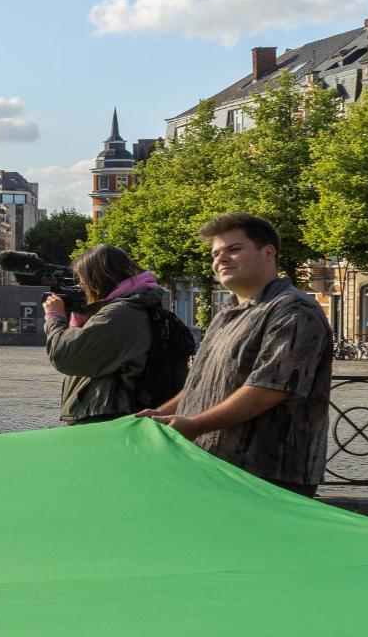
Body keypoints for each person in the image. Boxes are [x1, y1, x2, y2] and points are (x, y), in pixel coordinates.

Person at [139, 213, 331, 497]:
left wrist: (194, 425)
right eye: (216, 254)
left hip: (267, 474)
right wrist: (161, 413)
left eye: (234, 249)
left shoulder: (293, 310)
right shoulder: (226, 313)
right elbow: (202, 382)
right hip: (214, 465)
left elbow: (269, 389)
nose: (221, 260)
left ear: (268, 253)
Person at [42, 244, 167, 425]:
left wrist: (54, 317)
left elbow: (65, 356)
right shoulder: (136, 303)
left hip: (107, 418)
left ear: (97, 279)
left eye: (82, 280)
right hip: (111, 413)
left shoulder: (121, 312)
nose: (81, 287)